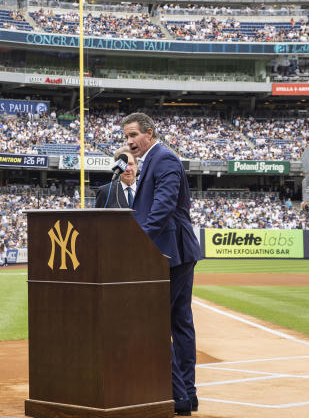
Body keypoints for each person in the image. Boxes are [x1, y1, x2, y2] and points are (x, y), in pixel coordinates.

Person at [100, 113, 201, 416]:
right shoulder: (152, 160)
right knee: (179, 322)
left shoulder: (165, 159)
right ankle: (188, 395)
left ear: (149, 133)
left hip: (171, 252)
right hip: (173, 252)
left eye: (133, 136)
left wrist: (138, 243)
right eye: (125, 138)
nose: (129, 143)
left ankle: (179, 395)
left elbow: (164, 207)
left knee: (158, 323)